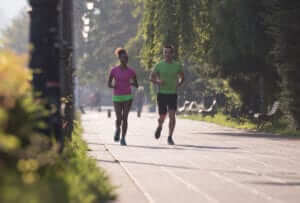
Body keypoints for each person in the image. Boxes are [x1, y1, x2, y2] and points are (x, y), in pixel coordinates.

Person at [150, 45, 184, 145]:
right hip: (162, 94)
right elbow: (151, 78)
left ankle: (170, 137)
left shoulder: (177, 65)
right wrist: (158, 81)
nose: (167, 54)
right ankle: (160, 126)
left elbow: (182, 77)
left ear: (172, 54)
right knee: (162, 116)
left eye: (169, 52)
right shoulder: (159, 65)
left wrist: (179, 84)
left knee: (172, 116)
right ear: (163, 53)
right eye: (165, 52)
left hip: (173, 94)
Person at [108, 48, 138, 146]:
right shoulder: (114, 70)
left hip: (127, 97)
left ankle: (123, 138)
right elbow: (109, 84)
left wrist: (131, 82)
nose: (126, 59)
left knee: (125, 118)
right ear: (120, 58)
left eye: (127, 57)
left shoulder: (131, 71)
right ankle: (117, 129)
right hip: (117, 97)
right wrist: (114, 86)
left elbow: (136, 84)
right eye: (124, 57)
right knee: (119, 118)